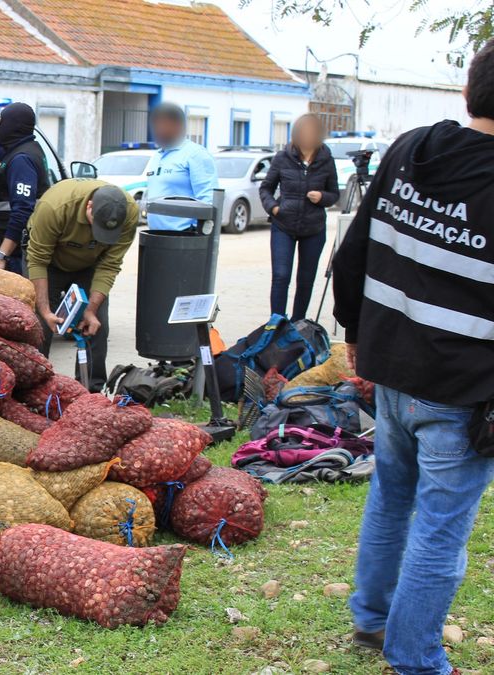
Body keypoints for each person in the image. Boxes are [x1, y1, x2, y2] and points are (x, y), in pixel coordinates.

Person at [334, 39, 494, 675]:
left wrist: (355, 332)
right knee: (439, 529)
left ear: (468, 90)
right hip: (460, 393)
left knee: (391, 497)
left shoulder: (407, 149)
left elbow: (353, 250)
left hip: (392, 371)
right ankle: (416, 658)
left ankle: (373, 617)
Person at [27, 179, 138, 391]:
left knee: (95, 325)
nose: (98, 235)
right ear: (89, 206)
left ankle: (90, 392)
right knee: (39, 326)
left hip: (90, 265)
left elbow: (110, 265)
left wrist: (91, 309)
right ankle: (34, 389)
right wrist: (45, 310)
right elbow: (37, 260)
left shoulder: (129, 212)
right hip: (48, 264)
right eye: (96, 226)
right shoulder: (54, 207)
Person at [260, 113, 339, 320]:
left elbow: (334, 194)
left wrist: (322, 197)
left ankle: (297, 324)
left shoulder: (326, 160)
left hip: (313, 229)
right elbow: (266, 188)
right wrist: (274, 208)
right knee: (281, 276)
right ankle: (276, 325)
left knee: (305, 280)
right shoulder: (282, 157)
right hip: (283, 225)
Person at [0, 98, 51, 273]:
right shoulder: (20, 148)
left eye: (1, 121)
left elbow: (22, 212)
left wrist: (1, 256)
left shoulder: (22, 160)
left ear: (13, 125)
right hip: (13, 248)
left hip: (19, 253)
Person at [143, 103, 218, 231]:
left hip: (185, 236)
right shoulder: (158, 155)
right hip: (156, 235)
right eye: (156, 125)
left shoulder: (195, 154)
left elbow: (209, 199)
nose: (158, 130)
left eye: (163, 124)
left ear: (178, 126)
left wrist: (196, 231)